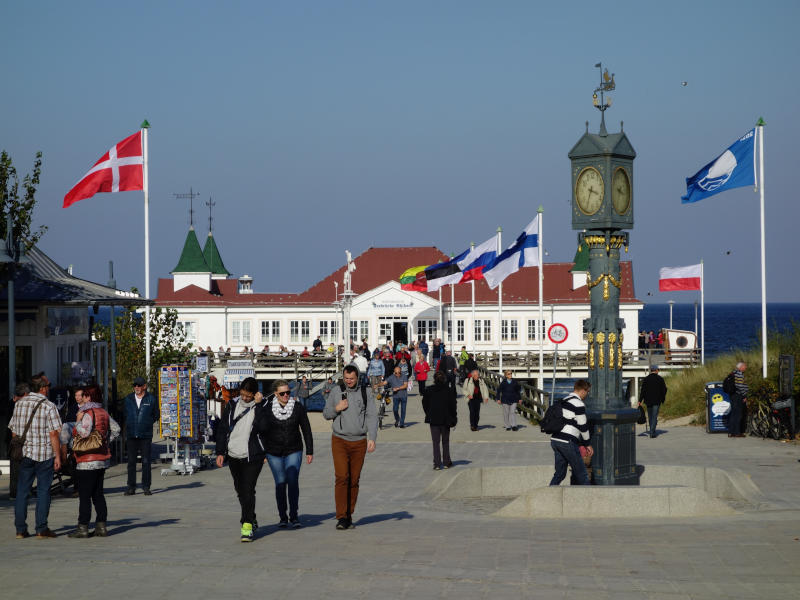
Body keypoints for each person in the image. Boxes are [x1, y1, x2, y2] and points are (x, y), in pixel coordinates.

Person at [322, 364, 378, 530]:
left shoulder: (365, 392)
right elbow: (326, 413)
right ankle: (341, 517)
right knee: (341, 477)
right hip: (339, 440)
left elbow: (372, 416)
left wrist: (372, 438)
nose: (349, 381)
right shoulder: (336, 391)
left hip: (359, 441)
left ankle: (349, 515)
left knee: (354, 480)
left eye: (352, 379)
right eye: (346, 378)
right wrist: (336, 409)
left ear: (357, 378)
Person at [63, 386, 120, 538]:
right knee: (98, 494)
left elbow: (83, 432)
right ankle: (101, 526)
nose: (84, 398)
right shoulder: (104, 412)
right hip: (101, 460)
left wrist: (77, 423)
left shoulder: (87, 413)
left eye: (87, 396)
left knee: (85, 495)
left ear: (91, 397)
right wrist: (105, 441)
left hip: (86, 460)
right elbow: (116, 429)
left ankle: (83, 527)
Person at [215, 377, 268, 542]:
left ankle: (246, 525)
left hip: (253, 456)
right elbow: (223, 429)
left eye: (248, 395)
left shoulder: (263, 406)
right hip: (233, 454)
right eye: (243, 394)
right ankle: (251, 516)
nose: (245, 398)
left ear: (255, 394)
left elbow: (264, 427)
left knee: (248, 489)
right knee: (240, 490)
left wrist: (258, 405)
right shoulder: (231, 405)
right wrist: (220, 452)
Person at [10, 374, 62, 539]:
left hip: (25, 454)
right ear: (42, 388)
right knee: (43, 491)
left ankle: (20, 529)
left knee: (22, 491)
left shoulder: (19, 404)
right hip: (44, 454)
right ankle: (41, 528)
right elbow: (54, 433)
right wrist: (58, 456)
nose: (48, 390)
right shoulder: (49, 406)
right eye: (47, 387)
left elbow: (13, 431)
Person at [263, 380, 313, 528]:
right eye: (282, 393)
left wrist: (309, 451)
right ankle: (283, 517)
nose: (286, 395)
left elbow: (306, 429)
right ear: (276, 394)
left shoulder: (297, 407)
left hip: (294, 449)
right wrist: (263, 453)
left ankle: (294, 516)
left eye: (288, 392)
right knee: (280, 483)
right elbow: (262, 431)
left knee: (292, 481)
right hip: (273, 451)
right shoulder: (267, 408)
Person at [549, 379, 592, 486]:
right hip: (567, 442)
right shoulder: (578, 404)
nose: (587, 394)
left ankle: (549, 495)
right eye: (588, 392)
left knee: (560, 473)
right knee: (582, 474)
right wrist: (587, 444)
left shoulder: (564, 399)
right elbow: (583, 426)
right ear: (583, 391)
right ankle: (590, 500)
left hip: (555, 439)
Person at [123, 377, 160, 496]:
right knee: (131, 462)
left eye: (139, 385)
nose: (136, 388)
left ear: (144, 386)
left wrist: (148, 423)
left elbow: (156, 415)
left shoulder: (151, 399)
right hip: (131, 434)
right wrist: (129, 423)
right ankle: (131, 487)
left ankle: (146, 486)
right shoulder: (128, 399)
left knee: (146, 461)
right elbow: (124, 413)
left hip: (145, 434)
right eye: (135, 385)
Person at [422, 371, 457, 470]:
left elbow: (424, 403)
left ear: (434, 379)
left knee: (435, 442)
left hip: (433, 419)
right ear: (444, 379)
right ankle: (446, 462)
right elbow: (453, 406)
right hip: (445, 419)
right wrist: (454, 418)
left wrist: (428, 412)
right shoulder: (449, 390)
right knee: (445, 441)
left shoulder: (429, 390)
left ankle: (437, 463)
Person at [8, 383, 30, 500]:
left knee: (18, 468)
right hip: (18, 442)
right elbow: (12, 428)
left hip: (16, 441)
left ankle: (16, 491)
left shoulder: (17, 405)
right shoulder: (15, 406)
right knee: (17, 468)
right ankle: (15, 492)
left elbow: (13, 428)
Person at [639, 364, 667, 438]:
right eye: (658, 370)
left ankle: (652, 430)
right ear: (656, 370)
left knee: (650, 416)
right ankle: (652, 432)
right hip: (657, 401)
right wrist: (662, 398)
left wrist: (640, 400)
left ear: (651, 370)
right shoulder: (660, 379)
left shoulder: (646, 379)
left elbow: (643, 390)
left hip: (648, 401)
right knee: (654, 416)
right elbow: (664, 390)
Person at [727, 361, 749, 438]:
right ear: (740, 367)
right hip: (738, 396)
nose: (746, 368)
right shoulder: (739, 374)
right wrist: (744, 395)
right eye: (744, 366)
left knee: (733, 414)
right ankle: (737, 432)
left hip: (733, 395)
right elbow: (740, 386)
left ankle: (731, 432)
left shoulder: (733, 373)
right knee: (738, 415)